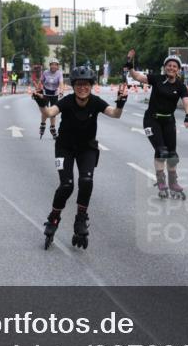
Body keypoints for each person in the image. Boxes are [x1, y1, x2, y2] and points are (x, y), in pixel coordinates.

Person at [30, 66, 128, 249]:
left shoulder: (96, 102)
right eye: (78, 85)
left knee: (86, 181)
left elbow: (115, 114)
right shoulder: (67, 101)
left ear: (91, 86)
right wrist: (41, 102)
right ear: (73, 86)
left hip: (87, 148)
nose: (82, 88)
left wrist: (121, 102)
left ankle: (81, 218)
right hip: (65, 147)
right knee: (67, 185)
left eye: (86, 85)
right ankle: (54, 217)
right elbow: (49, 113)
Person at [125, 51, 188, 200]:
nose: (171, 68)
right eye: (169, 65)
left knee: (172, 155)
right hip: (152, 120)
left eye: (174, 66)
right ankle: (161, 181)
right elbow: (137, 77)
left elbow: (186, 101)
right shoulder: (157, 79)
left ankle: (173, 183)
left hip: (168, 121)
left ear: (178, 70)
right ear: (165, 67)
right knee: (161, 151)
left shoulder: (180, 86)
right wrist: (129, 63)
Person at [38, 59, 64, 139]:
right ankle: (43, 124)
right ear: (50, 66)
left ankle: (52, 127)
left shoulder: (59, 73)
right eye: (52, 64)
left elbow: (61, 83)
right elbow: (41, 82)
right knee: (45, 110)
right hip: (46, 93)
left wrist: (61, 91)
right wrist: (38, 90)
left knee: (53, 112)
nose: (54, 66)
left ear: (57, 66)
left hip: (54, 94)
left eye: (55, 65)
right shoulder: (45, 72)